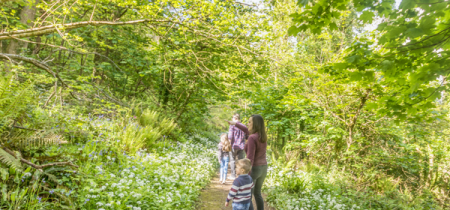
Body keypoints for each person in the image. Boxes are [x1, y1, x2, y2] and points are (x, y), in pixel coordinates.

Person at [228, 114, 267, 210]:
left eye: (250, 122)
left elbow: (250, 158)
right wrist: (235, 123)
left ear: (255, 124)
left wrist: (246, 175)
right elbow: (245, 130)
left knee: (247, 196)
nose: (247, 124)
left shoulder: (252, 138)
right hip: (263, 168)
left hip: (254, 169)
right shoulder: (262, 136)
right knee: (258, 193)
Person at [228, 113, 247, 179]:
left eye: (232, 118)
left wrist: (228, 145)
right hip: (241, 146)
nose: (231, 119)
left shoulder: (232, 126)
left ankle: (233, 175)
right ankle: (240, 176)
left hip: (233, 146)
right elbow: (247, 137)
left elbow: (230, 136)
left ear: (235, 118)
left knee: (232, 160)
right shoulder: (244, 126)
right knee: (241, 161)